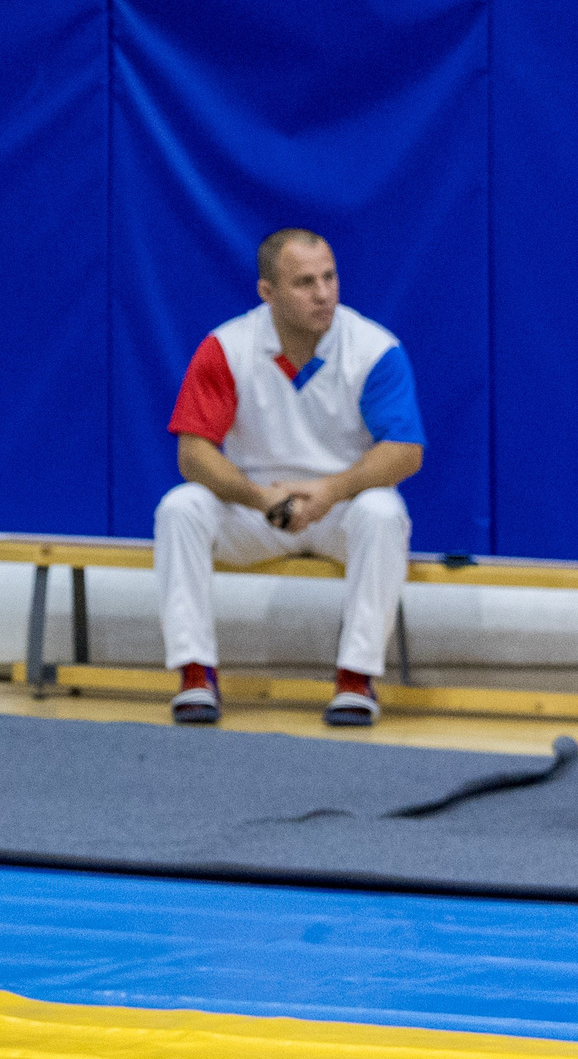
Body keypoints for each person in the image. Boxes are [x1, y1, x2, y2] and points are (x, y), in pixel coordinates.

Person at [156, 228, 424, 727]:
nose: (323, 293)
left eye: (329, 277)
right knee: (180, 508)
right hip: (257, 509)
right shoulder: (226, 347)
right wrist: (260, 498)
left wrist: (331, 490)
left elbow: (406, 451)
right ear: (267, 292)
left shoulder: (373, 348)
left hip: (338, 509)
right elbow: (193, 454)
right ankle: (195, 674)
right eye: (304, 282)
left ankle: (355, 680)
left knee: (383, 512)